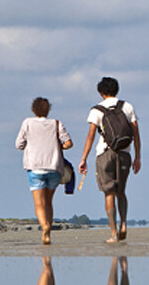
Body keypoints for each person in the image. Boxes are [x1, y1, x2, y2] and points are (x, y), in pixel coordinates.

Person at [78, 77, 141, 243]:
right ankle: (124, 224)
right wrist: (138, 157)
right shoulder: (127, 107)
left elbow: (91, 136)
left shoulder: (96, 110)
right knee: (121, 191)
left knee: (109, 193)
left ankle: (113, 233)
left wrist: (83, 158)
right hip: (125, 154)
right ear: (117, 89)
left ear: (101, 92)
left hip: (105, 153)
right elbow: (135, 133)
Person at [15, 97, 73, 245]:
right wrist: (58, 147)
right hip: (54, 167)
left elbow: (19, 145)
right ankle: (49, 230)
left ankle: (45, 226)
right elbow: (68, 143)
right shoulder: (56, 123)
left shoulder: (27, 123)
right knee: (48, 202)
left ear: (34, 110)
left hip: (35, 167)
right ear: (48, 110)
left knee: (38, 203)